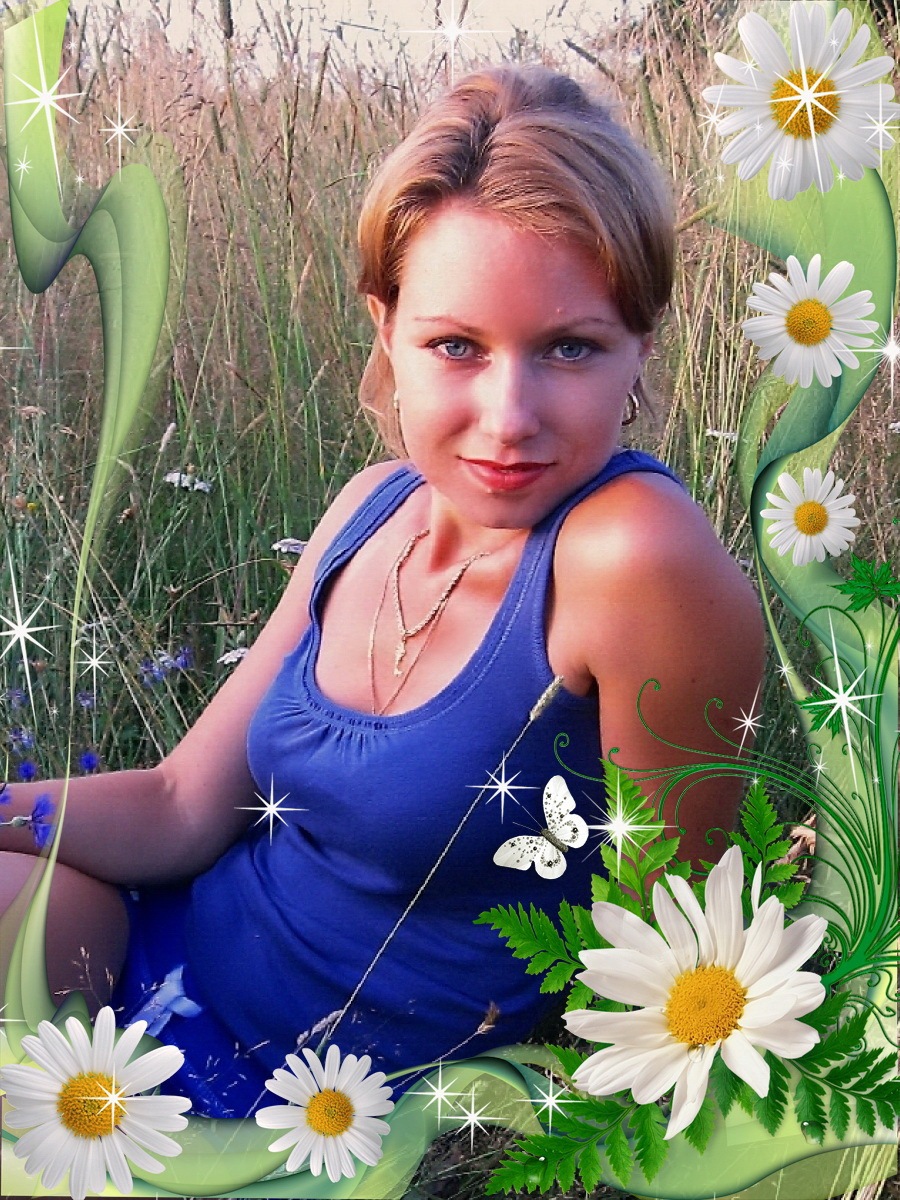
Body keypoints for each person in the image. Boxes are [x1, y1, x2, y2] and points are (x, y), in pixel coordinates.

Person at [0, 64, 764, 1118]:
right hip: (161, 959)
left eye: (570, 348)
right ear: (385, 328)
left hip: (323, 1113)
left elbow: (669, 958)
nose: (509, 418)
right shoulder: (369, 509)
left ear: (641, 345)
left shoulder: (632, 558)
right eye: (456, 345)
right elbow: (182, 808)